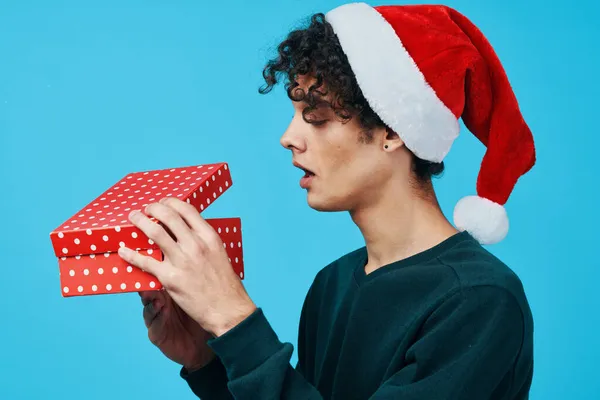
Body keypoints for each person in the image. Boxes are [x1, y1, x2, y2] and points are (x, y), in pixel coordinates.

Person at [118, 2, 536, 399]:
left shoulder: (480, 300)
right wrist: (208, 361)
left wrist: (236, 321)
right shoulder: (331, 284)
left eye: (314, 115)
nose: (288, 138)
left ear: (393, 130)